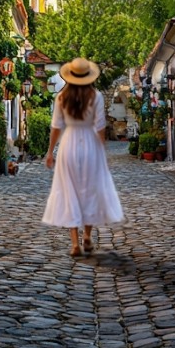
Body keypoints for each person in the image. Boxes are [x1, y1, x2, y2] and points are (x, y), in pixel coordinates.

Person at [41, 57, 124, 256]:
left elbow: (56, 127)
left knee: (70, 192)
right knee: (89, 191)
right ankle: (87, 236)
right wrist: (102, 151)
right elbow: (100, 127)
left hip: (68, 145)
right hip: (90, 144)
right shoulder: (95, 96)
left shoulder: (61, 97)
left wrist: (50, 151)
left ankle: (75, 244)